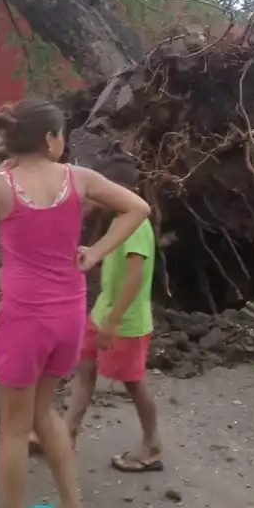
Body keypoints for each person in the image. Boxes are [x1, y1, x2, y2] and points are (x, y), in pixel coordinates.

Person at [0, 97, 150, 508]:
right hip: (68, 315)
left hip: (24, 320)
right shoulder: (78, 178)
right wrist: (96, 252)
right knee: (44, 412)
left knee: (14, 428)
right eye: (62, 134)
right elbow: (138, 208)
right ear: (49, 139)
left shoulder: (3, 185)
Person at [64, 160, 162, 472]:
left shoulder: (136, 226)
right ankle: (66, 434)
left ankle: (152, 444)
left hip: (125, 322)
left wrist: (114, 321)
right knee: (85, 370)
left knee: (133, 382)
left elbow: (135, 277)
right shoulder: (120, 220)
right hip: (103, 312)